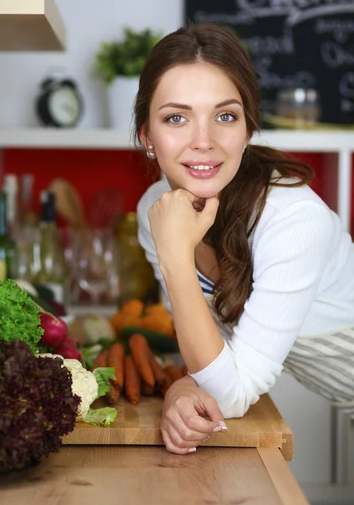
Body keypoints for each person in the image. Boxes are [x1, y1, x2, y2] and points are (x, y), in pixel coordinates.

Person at [134, 23, 354, 455]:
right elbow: (214, 364)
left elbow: (231, 393)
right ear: (146, 135)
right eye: (176, 118)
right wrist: (185, 387)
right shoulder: (156, 212)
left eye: (225, 116)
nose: (203, 141)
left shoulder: (293, 219)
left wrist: (176, 258)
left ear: (248, 130)